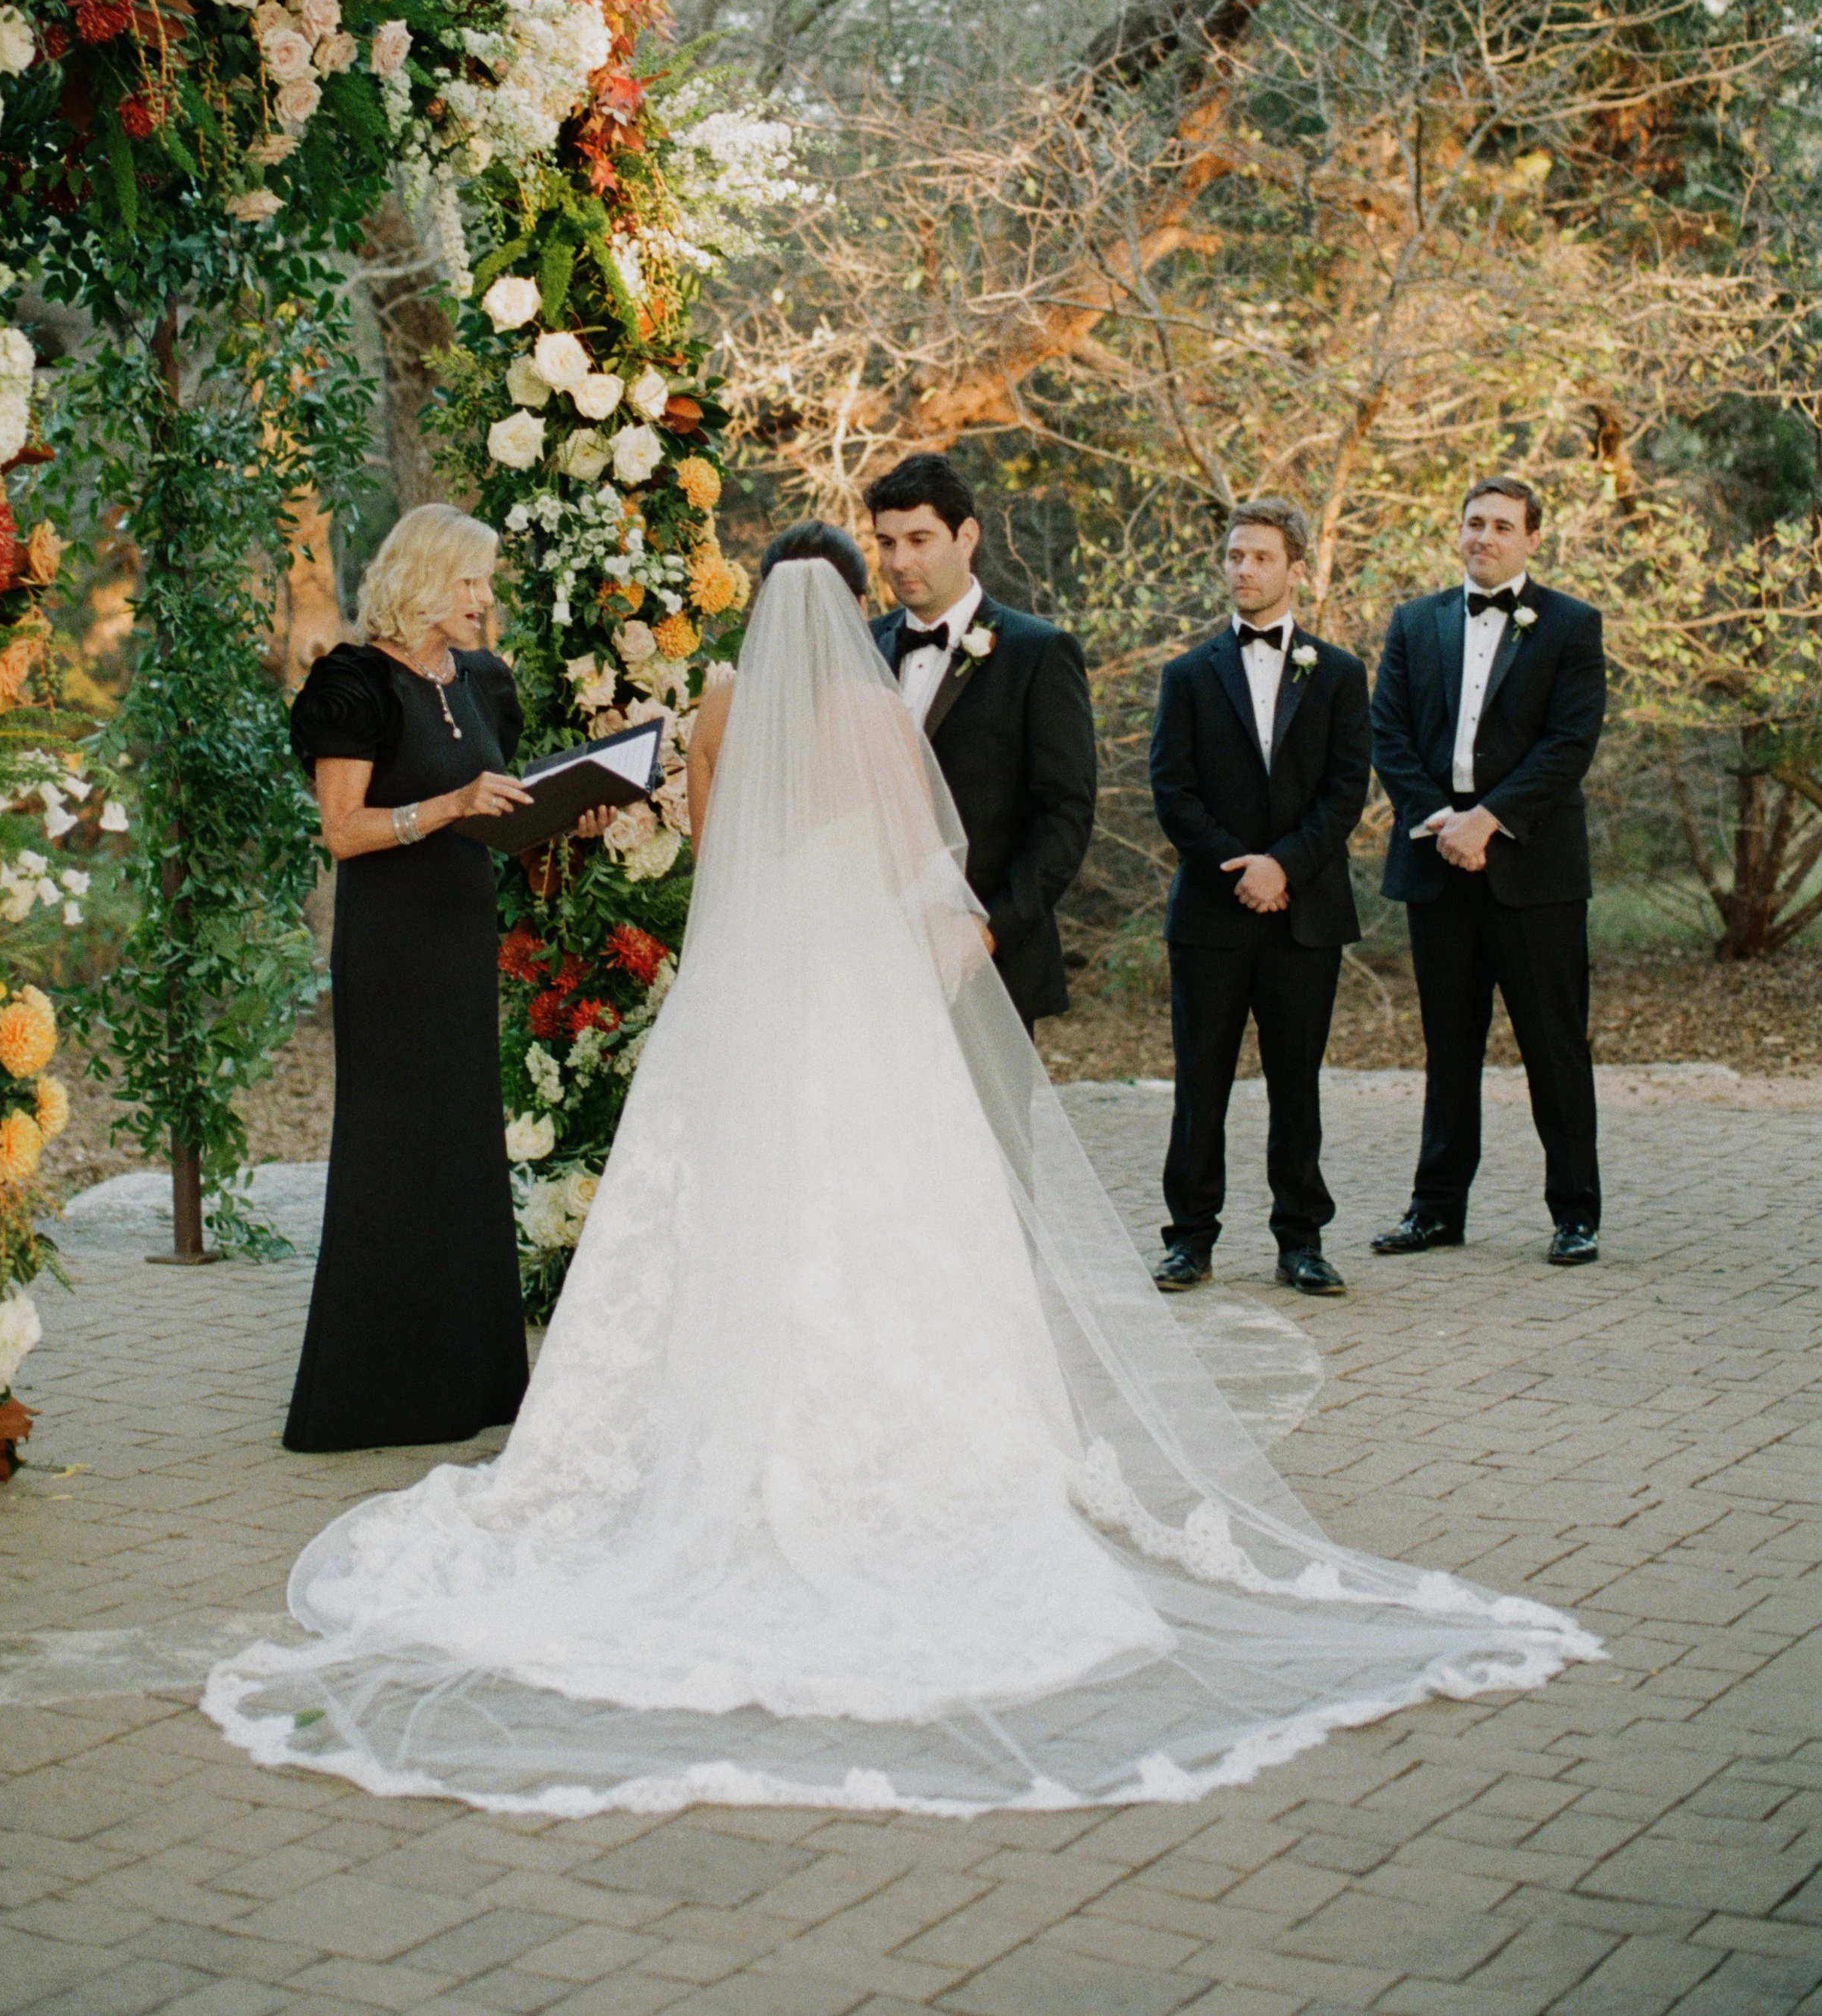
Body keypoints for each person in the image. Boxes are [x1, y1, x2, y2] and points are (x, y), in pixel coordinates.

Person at [205, 540, 1594, 1820]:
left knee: (717, 1193)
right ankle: (918, 1438)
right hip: (852, 977)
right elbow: (921, 854)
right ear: (855, 601)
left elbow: (696, 832)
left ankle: (694, 1427)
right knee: (893, 1199)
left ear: (759, 605)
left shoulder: (718, 700)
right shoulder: (878, 706)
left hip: (748, 979)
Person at [283, 504, 600, 1454]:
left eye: (486, 581)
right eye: (470, 581)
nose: (483, 599)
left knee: (464, 1153)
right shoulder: (352, 683)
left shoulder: (487, 681)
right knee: (392, 1154)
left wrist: (567, 814)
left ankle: (475, 1383)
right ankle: (366, 1399)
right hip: (389, 949)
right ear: (423, 578)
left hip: (465, 940)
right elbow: (343, 831)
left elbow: (497, 811)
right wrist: (450, 804)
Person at [1368, 477, 1607, 1267]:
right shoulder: (1414, 621)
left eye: (1502, 526)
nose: (1484, 537)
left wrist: (1489, 820)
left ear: (1530, 538)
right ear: (1457, 531)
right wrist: (1443, 820)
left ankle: (1574, 1212)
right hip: (1438, 859)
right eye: (1473, 523)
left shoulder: (1570, 624)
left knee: (1553, 1045)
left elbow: (1569, 742)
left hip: (1530, 867)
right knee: (1448, 1047)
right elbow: (1388, 733)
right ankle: (1436, 1208)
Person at [1149, 500, 1370, 1299]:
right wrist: (1238, 870)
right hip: (1210, 916)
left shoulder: (1339, 673)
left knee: (1296, 1082)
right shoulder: (1186, 674)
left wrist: (1283, 867)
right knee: (1199, 1082)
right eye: (1234, 556)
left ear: (1295, 568)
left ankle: (1301, 1239)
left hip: (1304, 914)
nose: (1243, 570)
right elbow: (1171, 790)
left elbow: (1348, 790)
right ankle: (1189, 1238)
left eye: (1260, 557)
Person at [864, 453, 1096, 1031]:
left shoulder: (1039, 653)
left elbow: (1065, 814)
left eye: (919, 539)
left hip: (989, 962)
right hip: (873, 959)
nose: (900, 561)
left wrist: (988, 928)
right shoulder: (860, 648)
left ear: (966, 535)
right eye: (887, 543)